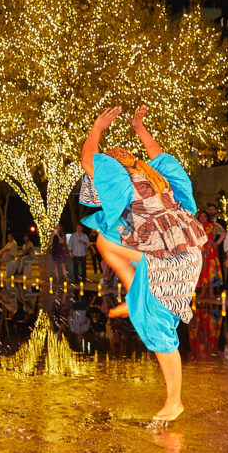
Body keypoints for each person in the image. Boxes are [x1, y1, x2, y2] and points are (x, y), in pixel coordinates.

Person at [80, 104, 206, 423]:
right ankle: (133, 294)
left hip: (167, 259)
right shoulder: (155, 176)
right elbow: (159, 153)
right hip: (183, 252)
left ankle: (174, 401)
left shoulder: (121, 180)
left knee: (157, 328)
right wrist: (140, 130)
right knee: (106, 241)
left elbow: (88, 160)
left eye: (110, 157)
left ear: (115, 164)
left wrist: (96, 129)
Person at [196, 210, 223, 299]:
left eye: (204, 216)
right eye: (201, 216)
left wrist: (217, 242)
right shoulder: (196, 226)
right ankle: (203, 291)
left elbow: (223, 232)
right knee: (203, 271)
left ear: (207, 217)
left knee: (211, 271)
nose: (202, 218)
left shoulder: (212, 225)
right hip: (200, 251)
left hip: (210, 251)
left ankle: (211, 292)